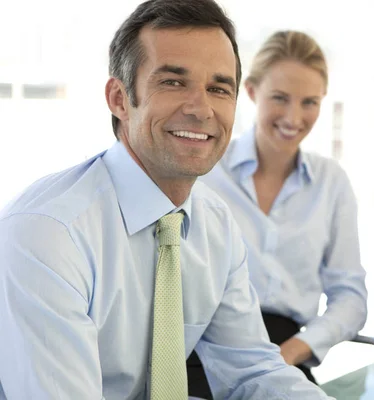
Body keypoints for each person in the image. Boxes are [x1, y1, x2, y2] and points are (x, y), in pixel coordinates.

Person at [0, 1, 334, 399]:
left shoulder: (214, 224)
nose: (201, 108)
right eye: (173, 82)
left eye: (218, 88)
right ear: (120, 99)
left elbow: (252, 372)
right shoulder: (48, 234)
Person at [191, 29, 367, 392]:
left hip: (286, 354)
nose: (294, 117)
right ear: (252, 92)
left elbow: (350, 297)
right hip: (202, 353)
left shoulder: (331, 183)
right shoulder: (206, 172)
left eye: (309, 102)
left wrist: (292, 352)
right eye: (280, 98)